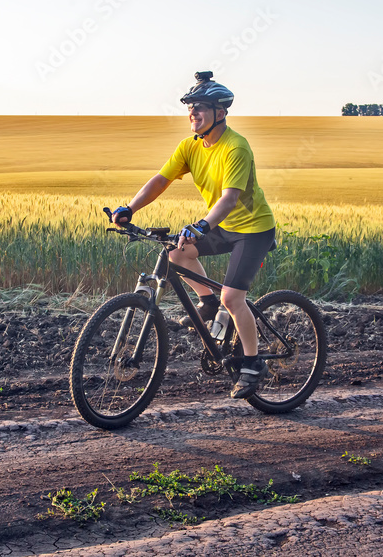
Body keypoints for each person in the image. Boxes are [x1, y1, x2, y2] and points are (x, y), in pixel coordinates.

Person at [110, 71, 277, 399]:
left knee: (233, 299)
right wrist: (129, 208)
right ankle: (207, 301)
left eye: (200, 107)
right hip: (223, 226)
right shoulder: (190, 147)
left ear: (221, 112)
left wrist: (201, 225)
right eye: (190, 107)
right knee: (177, 250)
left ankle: (254, 364)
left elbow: (229, 198)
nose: (193, 113)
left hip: (253, 229)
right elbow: (160, 180)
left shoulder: (236, 147)